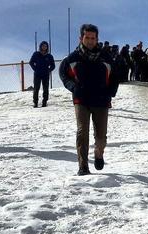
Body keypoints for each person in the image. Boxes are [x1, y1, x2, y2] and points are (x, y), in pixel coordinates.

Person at [59, 23, 119, 176]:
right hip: (82, 100)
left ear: (97, 39)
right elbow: (64, 75)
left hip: (101, 101)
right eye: (87, 38)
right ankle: (83, 166)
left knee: (101, 137)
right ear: (81, 38)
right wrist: (73, 87)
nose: (91, 41)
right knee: (82, 132)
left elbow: (115, 75)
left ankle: (99, 154)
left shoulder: (106, 57)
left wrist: (110, 91)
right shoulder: (72, 58)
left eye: (93, 38)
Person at [29, 41, 55, 108]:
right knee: (36, 89)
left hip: (45, 75)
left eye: (45, 46)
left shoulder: (49, 56)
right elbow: (31, 62)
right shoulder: (36, 54)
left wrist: (48, 70)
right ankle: (35, 103)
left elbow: (53, 65)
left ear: (47, 47)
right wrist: (35, 69)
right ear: (40, 46)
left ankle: (44, 102)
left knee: (45, 89)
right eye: (43, 46)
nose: (44, 47)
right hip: (37, 74)